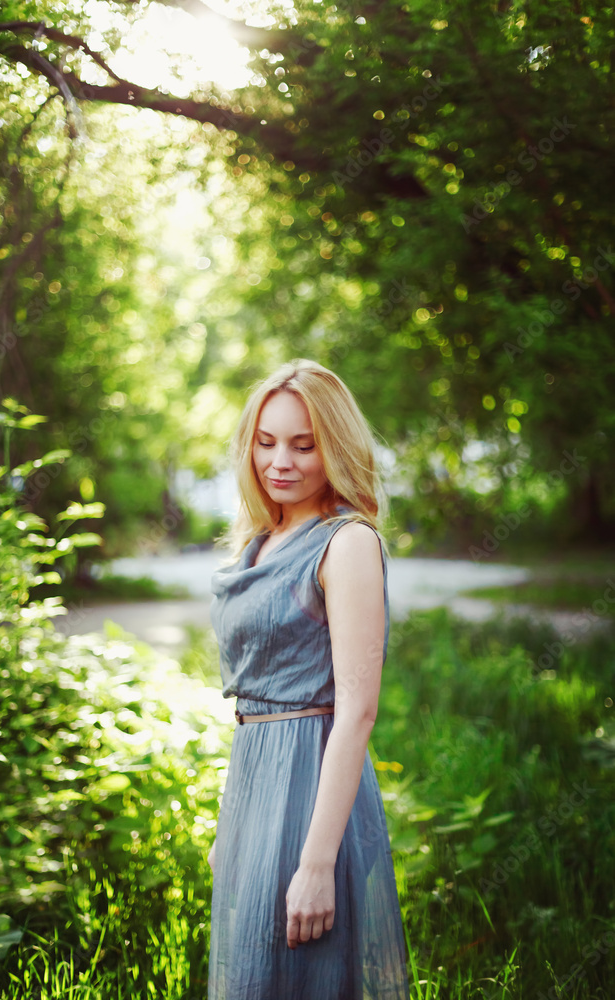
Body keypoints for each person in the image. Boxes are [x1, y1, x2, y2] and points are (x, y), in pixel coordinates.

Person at [207, 358, 410, 1000]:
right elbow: (253, 699)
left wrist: (317, 861)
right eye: (266, 442)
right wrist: (227, 822)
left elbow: (356, 711)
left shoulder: (345, 542)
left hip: (311, 789)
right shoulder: (259, 539)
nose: (280, 461)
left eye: (304, 444)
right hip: (252, 784)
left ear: (337, 447)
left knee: (305, 977)